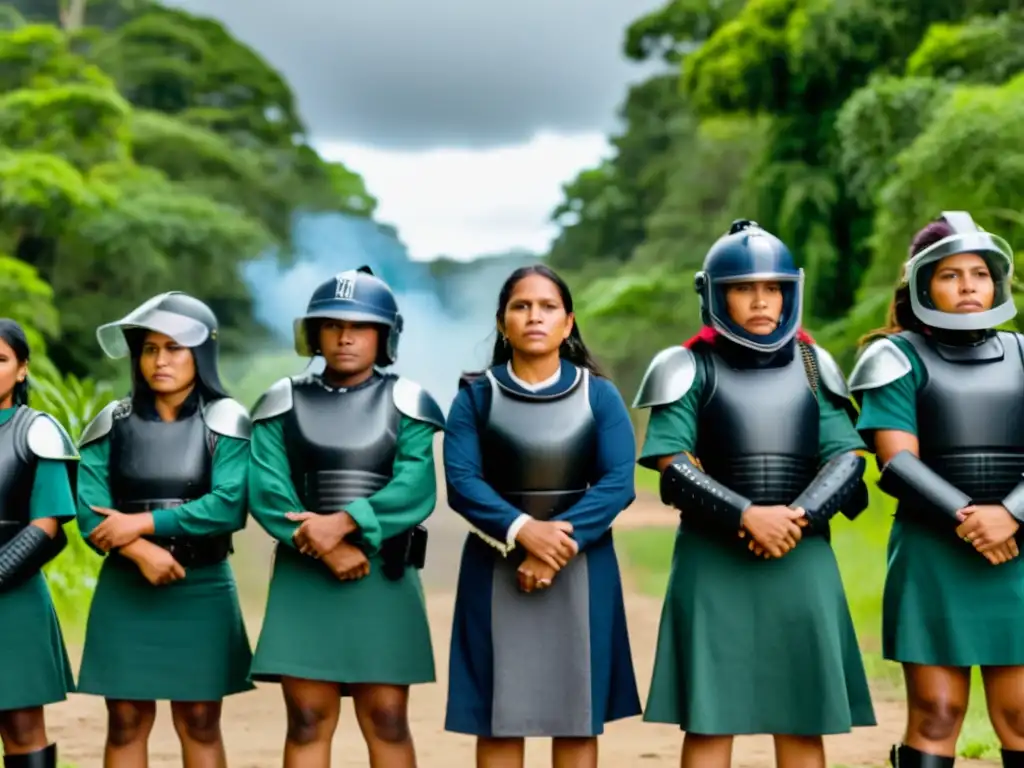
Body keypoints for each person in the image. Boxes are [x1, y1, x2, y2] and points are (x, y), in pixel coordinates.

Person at [633, 220, 876, 768]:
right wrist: (745, 515)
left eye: (773, 288)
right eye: (744, 289)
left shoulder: (815, 364)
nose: (761, 301)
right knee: (711, 718)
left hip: (802, 553)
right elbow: (670, 465)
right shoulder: (687, 366)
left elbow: (847, 458)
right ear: (716, 294)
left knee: (800, 717)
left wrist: (796, 517)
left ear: (791, 291)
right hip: (713, 557)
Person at [443, 264, 641, 768]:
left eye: (548, 306)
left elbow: (619, 483)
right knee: (498, 718)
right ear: (502, 321)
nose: (535, 316)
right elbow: (463, 484)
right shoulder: (474, 396)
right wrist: (523, 531)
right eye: (521, 306)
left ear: (568, 322)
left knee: (575, 714)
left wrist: (557, 547)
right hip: (495, 565)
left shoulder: (599, 394)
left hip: (582, 568)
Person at [248, 265, 444, 768]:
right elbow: (268, 487)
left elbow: (414, 486)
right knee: (308, 717)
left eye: (359, 326)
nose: (345, 337)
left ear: (384, 335)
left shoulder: (407, 400)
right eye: (332, 325)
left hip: (382, 574)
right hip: (305, 572)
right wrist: (325, 544)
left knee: (387, 718)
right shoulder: (282, 400)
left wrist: (344, 522)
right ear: (314, 334)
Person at [849, 211, 1024, 768]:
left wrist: (1011, 515)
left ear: (997, 281)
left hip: (1018, 551)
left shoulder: (1023, 353)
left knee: (1022, 712)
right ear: (923, 284)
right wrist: (975, 521)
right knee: (937, 710)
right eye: (950, 274)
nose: (968, 285)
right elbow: (898, 463)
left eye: (979, 273)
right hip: (933, 550)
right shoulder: (894, 356)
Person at [74, 292, 253, 767]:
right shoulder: (110, 422)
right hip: (126, 587)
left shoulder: (227, 419)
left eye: (174, 347)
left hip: (204, 585)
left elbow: (228, 506)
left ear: (202, 352)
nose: (160, 360)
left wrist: (143, 522)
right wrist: (141, 551)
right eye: (150, 349)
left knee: (199, 719)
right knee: (126, 719)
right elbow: (89, 510)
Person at [0, 319, 78, 768]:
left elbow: (48, 524)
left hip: (14, 599)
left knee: (21, 725)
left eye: (0, 359)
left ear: (22, 368)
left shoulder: (37, 430)